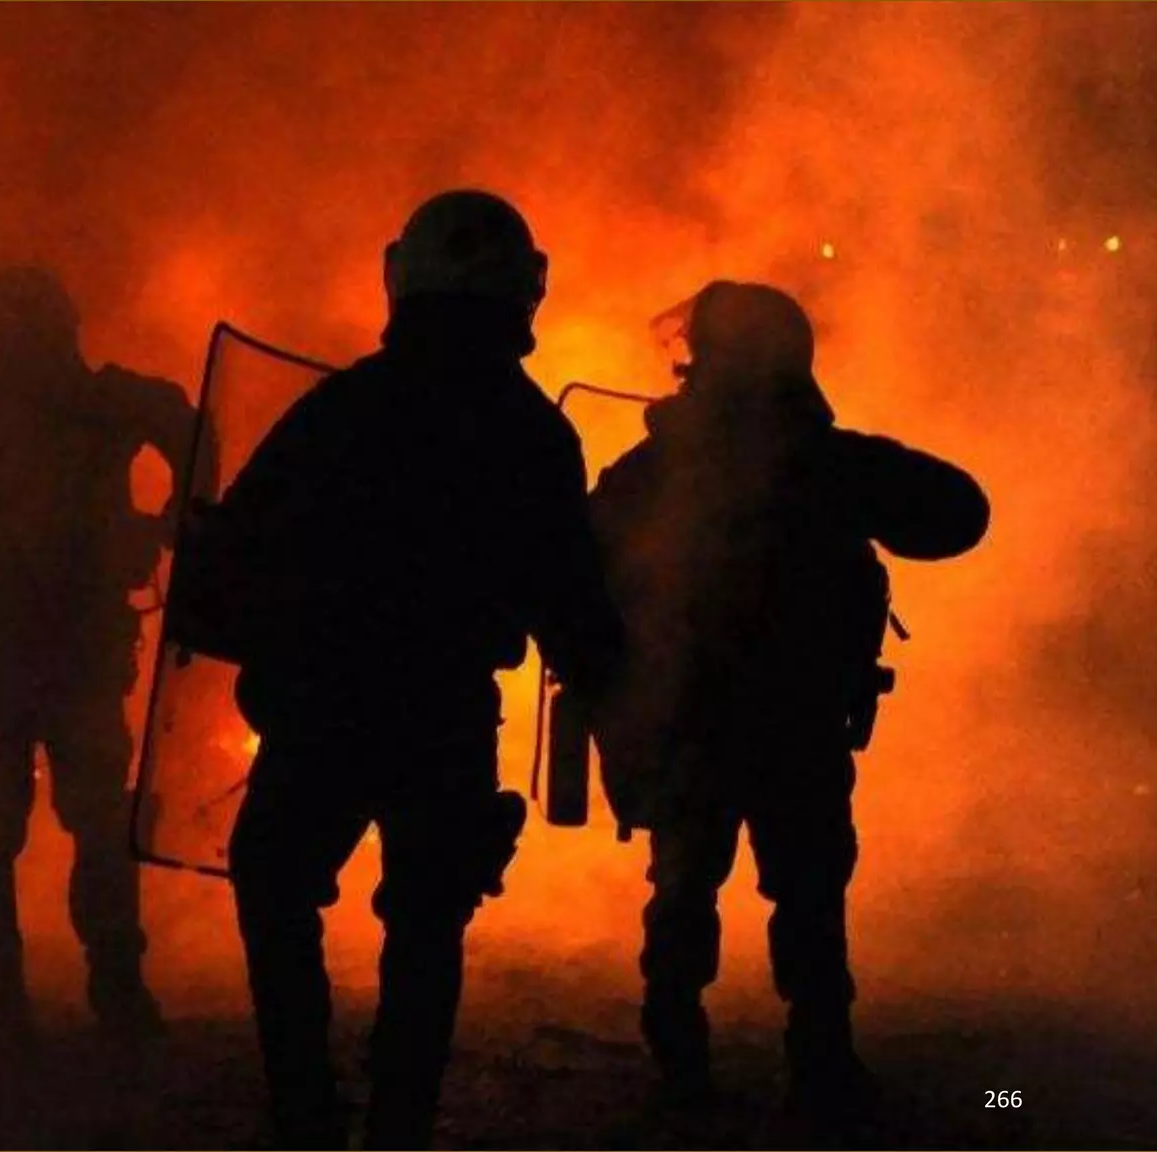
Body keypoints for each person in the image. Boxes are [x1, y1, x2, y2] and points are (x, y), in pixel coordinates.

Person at [179, 190, 623, 1148]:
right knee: (427, 922)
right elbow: (568, 591)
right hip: (442, 716)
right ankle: (400, 1124)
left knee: (276, 884)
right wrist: (612, 688)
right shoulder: (531, 433)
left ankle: (303, 1108)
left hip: (320, 708)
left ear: (404, 277)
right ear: (520, 292)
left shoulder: (341, 408)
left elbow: (237, 552)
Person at [587, 281, 990, 1121]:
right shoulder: (828, 464)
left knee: (686, 886)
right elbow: (957, 513)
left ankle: (680, 1057)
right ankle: (820, 1060)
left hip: (694, 723)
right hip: (796, 725)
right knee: (808, 892)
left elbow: (581, 570)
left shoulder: (656, 470)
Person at [0, 266, 197, 1043]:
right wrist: (166, 526)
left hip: (30, 662)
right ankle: (97, 993)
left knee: (20, 830)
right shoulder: (92, 413)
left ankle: (25, 998)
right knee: (71, 825)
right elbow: (187, 429)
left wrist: (168, 525)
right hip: (51, 660)